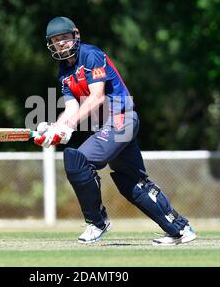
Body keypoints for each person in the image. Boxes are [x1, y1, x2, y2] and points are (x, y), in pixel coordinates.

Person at [33, 16, 196, 245]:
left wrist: (67, 126)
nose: (60, 43)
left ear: (75, 35)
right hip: (108, 126)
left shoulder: (91, 54)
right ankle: (181, 229)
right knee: (132, 184)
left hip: (121, 118)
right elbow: (71, 107)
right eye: (55, 40)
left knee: (76, 159)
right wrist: (55, 128)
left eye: (64, 38)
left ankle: (97, 222)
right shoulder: (63, 72)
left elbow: (97, 97)